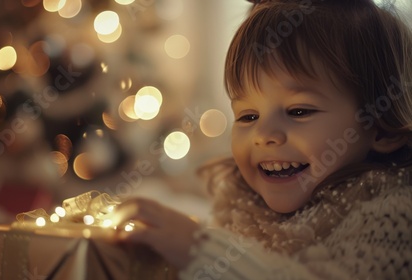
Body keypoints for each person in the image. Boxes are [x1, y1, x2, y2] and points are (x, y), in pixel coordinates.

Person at [110, 0, 412, 279]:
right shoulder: (240, 206)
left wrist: (198, 249)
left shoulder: (393, 216)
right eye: (248, 116)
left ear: (381, 128)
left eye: (298, 111)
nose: (264, 135)